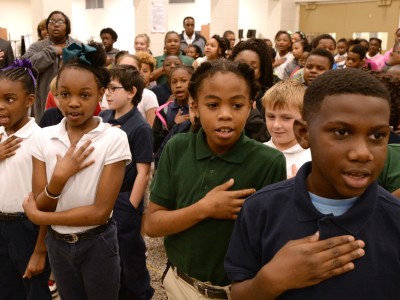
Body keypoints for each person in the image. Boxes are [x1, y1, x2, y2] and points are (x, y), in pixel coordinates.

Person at [225, 68, 400, 299]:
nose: (362, 153)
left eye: (377, 136)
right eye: (341, 132)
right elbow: (239, 293)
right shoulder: (260, 209)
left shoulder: (395, 220)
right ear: (304, 133)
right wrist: (270, 280)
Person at [144, 60, 287, 299]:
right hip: (180, 284)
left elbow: (270, 242)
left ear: (251, 106)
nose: (224, 115)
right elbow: (152, 225)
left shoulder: (269, 162)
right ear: (195, 107)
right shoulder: (177, 149)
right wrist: (205, 208)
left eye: (237, 105)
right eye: (212, 105)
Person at [22, 41, 131, 300]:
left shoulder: (113, 139)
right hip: (57, 244)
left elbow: (99, 212)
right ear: (55, 94)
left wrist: (40, 218)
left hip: (98, 242)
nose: (73, 103)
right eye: (65, 94)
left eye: (84, 95)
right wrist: (59, 178)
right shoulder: (43, 137)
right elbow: (40, 201)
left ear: (100, 93)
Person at [100, 65, 154, 300]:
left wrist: (131, 205)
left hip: (124, 197)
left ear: (132, 92)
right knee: (109, 253)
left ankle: (139, 294)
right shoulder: (103, 118)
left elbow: (144, 172)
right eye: (106, 88)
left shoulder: (139, 126)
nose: (108, 94)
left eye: (114, 88)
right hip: (104, 196)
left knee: (130, 254)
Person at [0, 59, 52, 300]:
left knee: (33, 291)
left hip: (28, 228)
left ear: (30, 101)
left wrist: (40, 249)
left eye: (9, 100)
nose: (1, 106)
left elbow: (48, 200)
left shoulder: (41, 140)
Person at [22, 10, 80, 122]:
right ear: (47, 27)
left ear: (67, 27)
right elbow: (24, 65)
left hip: (74, 102)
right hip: (45, 101)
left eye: (60, 21)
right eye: (52, 21)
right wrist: (52, 51)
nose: (56, 24)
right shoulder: (38, 46)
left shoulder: (78, 46)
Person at [263, 80, 311, 178]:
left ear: (305, 118)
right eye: (271, 117)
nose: (276, 125)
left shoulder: (313, 158)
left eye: (286, 118)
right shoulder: (257, 154)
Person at [231, 38, 275, 142]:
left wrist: (253, 117)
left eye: (253, 67)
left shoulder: (271, 98)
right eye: (240, 64)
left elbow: (271, 137)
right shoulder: (221, 93)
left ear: (260, 71)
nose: (246, 69)